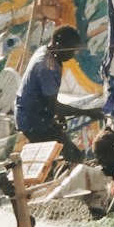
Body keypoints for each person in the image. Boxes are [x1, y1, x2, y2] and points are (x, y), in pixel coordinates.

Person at [15, 25, 102, 161]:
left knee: (55, 154)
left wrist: (59, 117)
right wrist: (89, 112)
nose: (72, 55)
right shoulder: (47, 67)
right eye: (71, 50)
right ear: (58, 44)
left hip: (32, 115)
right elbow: (54, 107)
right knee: (73, 156)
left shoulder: (45, 50)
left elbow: (50, 100)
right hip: (33, 121)